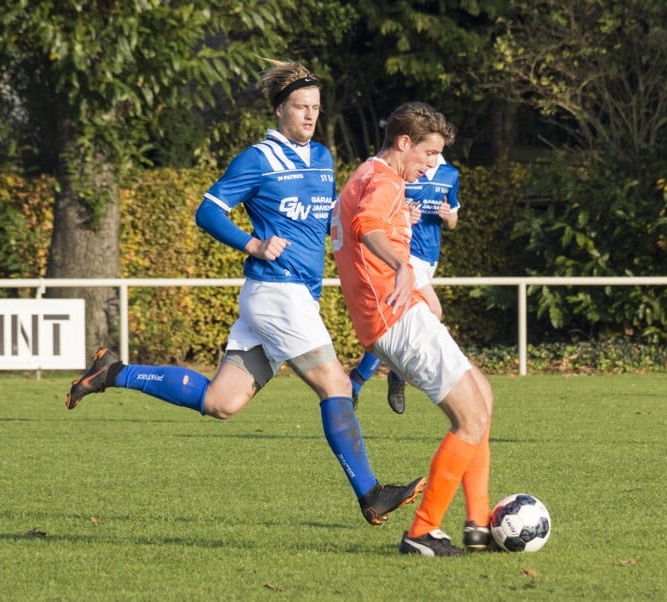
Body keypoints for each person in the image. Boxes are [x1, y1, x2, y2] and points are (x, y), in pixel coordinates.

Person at [65, 59, 425, 525]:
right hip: (279, 294)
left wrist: (393, 220)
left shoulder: (321, 158)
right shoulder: (258, 160)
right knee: (337, 385)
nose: (310, 116)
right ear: (279, 110)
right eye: (301, 107)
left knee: (221, 402)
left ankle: (114, 372)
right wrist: (253, 242)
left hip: (286, 297)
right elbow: (208, 211)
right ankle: (371, 494)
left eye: (315, 107)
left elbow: (325, 217)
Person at [332, 101, 494, 556]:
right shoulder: (382, 179)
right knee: (471, 418)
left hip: (402, 314)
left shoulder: (370, 173)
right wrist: (402, 267)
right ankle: (422, 533)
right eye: (428, 154)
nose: (431, 165)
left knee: (482, 398)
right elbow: (367, 226)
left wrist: (419, 287)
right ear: (404, 143)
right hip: (395, 319)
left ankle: (478, 526)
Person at [348, 154, 461, 414]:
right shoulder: (402, 172)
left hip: (430, 258)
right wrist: (404, 216)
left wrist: (447, 217)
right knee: (432, 311)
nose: (429, 158)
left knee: (397, 321)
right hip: (406, 255)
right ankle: (385, 378)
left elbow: (453, 220)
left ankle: (363, 381)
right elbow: (380, 217)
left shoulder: (450, 174)